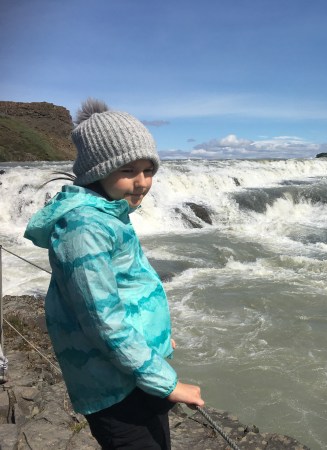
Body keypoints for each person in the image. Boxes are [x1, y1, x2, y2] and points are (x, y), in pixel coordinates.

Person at [24, 98, 204, 449]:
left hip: (134, 372)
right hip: (114, 390)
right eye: (128, 171)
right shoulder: (84, 228)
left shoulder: (107, 213)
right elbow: (103, 321)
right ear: (98, 171)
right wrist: (166, 383)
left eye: (148, 170)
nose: (142, 183)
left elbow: (124, 290)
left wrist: (156, 337)